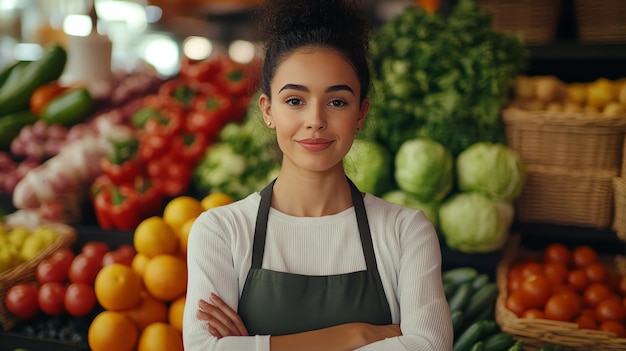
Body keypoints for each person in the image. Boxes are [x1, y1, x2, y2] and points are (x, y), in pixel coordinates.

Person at [182, 0, 453, 350]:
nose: (316, 120)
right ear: (268, 111)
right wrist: (358, 334)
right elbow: (204, 348)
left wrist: (255, 344)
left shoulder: (406, 232)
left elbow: (430, 346)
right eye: (295, 100)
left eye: (337, 101)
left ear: (361, 113)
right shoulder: (221, 231)